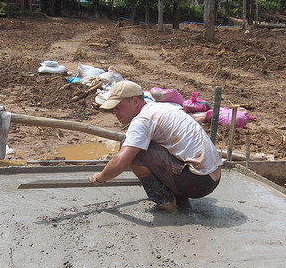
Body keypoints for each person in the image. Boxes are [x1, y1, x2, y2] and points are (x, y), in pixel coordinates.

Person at [89, 81, 222, 212]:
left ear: (135, 102)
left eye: (117, 106)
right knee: (147, 144)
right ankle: (179, 199)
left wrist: (100, 178)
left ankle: (164, 201)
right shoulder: (160, 108)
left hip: (198, 182)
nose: (114, 112)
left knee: (134, 151)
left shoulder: (143, 120)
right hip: (212, 176)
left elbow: (119, 162)